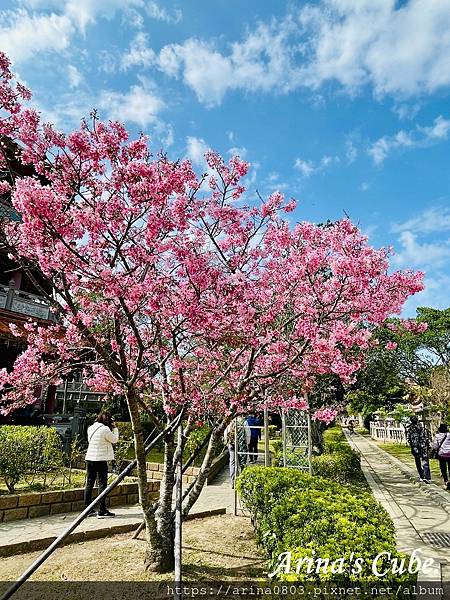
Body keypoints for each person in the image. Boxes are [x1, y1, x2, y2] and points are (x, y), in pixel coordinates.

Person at [84, 411, 119, 518]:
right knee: (102, 484)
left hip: (90, 458)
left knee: (89, 483)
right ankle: (102, 510)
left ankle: (87, 509)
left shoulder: (90, 428)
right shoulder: (105, 429)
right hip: (100, 459)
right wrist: (115, 429)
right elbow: (115, 440)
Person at [406, 415, 431, 483]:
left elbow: (408, 439)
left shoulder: (410, 429)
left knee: (418, 462)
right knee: (425, 461)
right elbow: (427, 437)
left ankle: (422, 476)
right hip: (423, 446)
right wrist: (428, 445)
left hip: (415, 448)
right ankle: (427, 477)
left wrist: (412, 446)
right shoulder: (422, 427)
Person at [432, 423, 450, 490]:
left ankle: (446, 481)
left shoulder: (437, 436)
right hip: (449, 454)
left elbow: (435, 446)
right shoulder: (449, 435)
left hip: (441, 454)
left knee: (443, 468)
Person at [224, 421, 236, 487]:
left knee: (232, 462)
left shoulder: (230, 423)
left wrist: (226, 443)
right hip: (240, 445)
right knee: (241, 462)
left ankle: (232, 480)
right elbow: (248, 434)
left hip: (231, 444)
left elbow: (225, 434)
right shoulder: (243, 422)